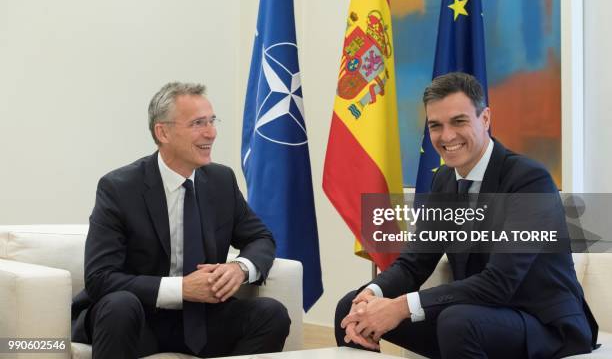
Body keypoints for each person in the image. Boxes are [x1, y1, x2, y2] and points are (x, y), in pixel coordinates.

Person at [335, 72, 598, 358]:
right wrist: (373, 293)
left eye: (459, 121)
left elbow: (500, 282)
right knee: (351, 308)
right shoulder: (444, 181)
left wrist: (400, 307)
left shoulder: (529, 180)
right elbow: (415, 263)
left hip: (544, 324)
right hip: (477, 316)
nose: (447, 136)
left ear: (485, 119)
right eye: (436, 126)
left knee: (457, 322)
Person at [71, 82, 290, 359]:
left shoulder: (221, 180)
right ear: (163, 132)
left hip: (201, 320)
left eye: (212, 121)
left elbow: (261, 238)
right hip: (138, 317)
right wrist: (182, 289)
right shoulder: (119, 188)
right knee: (120, 306)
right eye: (198, 123)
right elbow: (100, 278)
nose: (211, 132)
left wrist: (239, 268)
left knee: (271, 314)